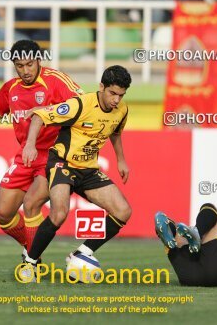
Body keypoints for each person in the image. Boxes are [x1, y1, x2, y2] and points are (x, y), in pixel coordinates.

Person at [0, 40, 82, 260]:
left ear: (39, 60)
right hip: (25, 157)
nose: (26, 70)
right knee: (3, 214)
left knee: (31, 204)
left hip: (55, 156)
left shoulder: (55, 81)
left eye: (30, 64)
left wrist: (47, 110)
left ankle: (32, 260)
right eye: (20, 66)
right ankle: (33, 245)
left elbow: (81, 105)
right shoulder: (11, 88)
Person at [20, 65, 133, 278]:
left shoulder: (122, 110)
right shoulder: (79, 105)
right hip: (63, 164)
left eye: (121, 95)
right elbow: (39, 117)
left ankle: (82, 253)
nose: (116, 100)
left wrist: (121, 160)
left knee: (123, 211)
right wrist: (30, 145)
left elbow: (115, 132)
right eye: (112, 93)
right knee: (60, 213)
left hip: (88, 170)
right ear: (101, 87)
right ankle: (30, 262)